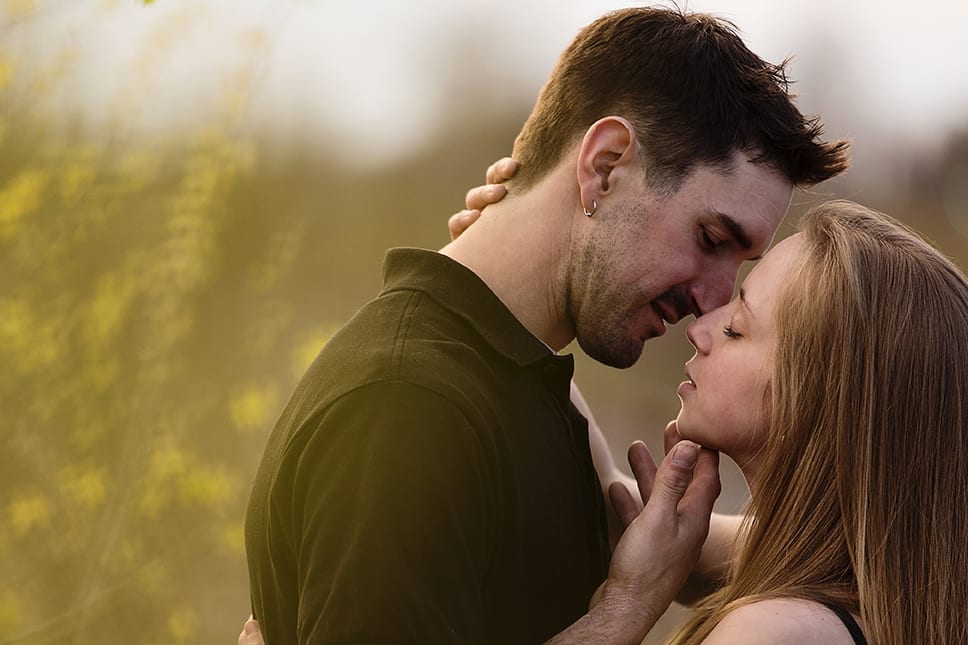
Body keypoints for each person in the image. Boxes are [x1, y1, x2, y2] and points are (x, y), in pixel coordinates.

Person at [244, 6, 849, 644]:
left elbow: (771, 552)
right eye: (710, 237)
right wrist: (625, 607)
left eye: (740, 261)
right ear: (606, 165)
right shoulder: (405, 406)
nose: (716, 301)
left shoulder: (523, 391)